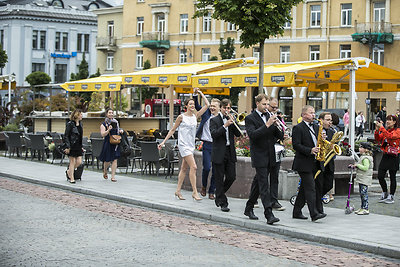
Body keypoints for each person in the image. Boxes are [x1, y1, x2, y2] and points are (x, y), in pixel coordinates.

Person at [158, 88, 209, 201]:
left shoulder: (195, 116)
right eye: (190, 104)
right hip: (183, 145)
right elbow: (172, 130)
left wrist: (200, 93)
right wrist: (163, 142)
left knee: (184, 168)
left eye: (193, 104)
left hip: (191, 145)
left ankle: (178, 191)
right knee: (194, 167)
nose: (192, 105)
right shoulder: (181, 117)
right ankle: (195, 192)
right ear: (186, 106)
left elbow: (207, 104)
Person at [244, 95, 284, 225]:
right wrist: (267, 124)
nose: (267, 107)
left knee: (258, 183)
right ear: (257, 104)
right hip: (259, 155)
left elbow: (279, 136)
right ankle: (269, 214)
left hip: (271, 154)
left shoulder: (269, 116)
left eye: (267, 104)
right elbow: (253, 136)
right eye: (264, 104)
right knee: (264, 184)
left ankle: (249, 208)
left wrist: (279, 125)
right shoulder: (250, 118)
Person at [292, 105, 326, 222]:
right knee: (310, 188)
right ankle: (314, 213)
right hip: (303, 163)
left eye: (314, 113)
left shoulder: (316, 127)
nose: (314, 115)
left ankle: (296, 211)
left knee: (304, 188)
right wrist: (310, 150)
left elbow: (319, 142)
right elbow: (296, 145)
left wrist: (323, 138)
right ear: (304, 115)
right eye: (311, 113)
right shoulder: (298, 128)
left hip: (315, 162)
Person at [210, 98, 242, 212]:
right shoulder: (214, 120)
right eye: (225, 108)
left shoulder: (231, 119)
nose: (227, 110)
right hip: (219, 152)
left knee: (232, 177)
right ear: (221, 108)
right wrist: (225, 125)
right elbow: (214, 134)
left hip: (230, 151)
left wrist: (234, 123)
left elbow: (239, 134)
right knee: (219, 178)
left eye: (229, 108)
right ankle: (223, 202)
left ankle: (219, 194)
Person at [194, 94, 221, 200]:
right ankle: (204, 186)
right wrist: (196, 95)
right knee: (206, 167)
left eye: (215, 106)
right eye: (211, 106)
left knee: (215, 170)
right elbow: (197, 106)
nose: (212, 108)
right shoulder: (206, 114)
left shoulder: (220, 118)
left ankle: (212, 191)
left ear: (219, 107)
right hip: (207, 145)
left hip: (217, 145)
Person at [374, 114, 400, 204]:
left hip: (394, 155)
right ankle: (385, 192)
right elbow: (378, 139)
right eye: (387, 120)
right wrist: (377, 130)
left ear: (395, 122)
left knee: (392, 176)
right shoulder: (386, 130)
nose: (387, 121)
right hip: (386, 155)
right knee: (380, 175)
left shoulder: (397, 131)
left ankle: (391, 196)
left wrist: (382, 128)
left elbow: (390, 137)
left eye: (390, 120)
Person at [315, 112, 335, 215]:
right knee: (319, 185)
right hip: (319, 161)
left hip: (329, 161)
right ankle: (318, 207)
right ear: (321, 120)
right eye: (327, 120)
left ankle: (315, 199)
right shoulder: (316, 130)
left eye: (330, 120)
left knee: (328, 184)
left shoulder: (331, 132)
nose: (330, 122)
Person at [99, 108, 124, 182]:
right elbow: (102, 134)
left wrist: (121, 131)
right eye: (109, 113)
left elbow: (117, 131)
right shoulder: (104, 124)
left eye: (112, 113)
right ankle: (105, 171)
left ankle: (113, 176)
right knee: (107, 160)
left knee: (115, 160)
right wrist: (108, 130)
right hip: (108, 142)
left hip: (115, 143)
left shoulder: (116, 122)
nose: (111, 114)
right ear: (106, 114)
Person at [350, 142, 373, 215]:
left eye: (361, 147)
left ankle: (365, 208)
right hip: (362, 178)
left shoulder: (366, 158)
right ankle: (362, 207)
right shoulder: (363, 156)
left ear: (366, 149)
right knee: (362, 193)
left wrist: (357, 165)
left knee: (364, 193)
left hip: (364, 178)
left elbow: (365, 168)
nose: (359, 149)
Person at [63, 109, 83, 184]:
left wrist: (81, 146)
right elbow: (66, 136)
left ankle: (69, 171)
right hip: (71, 145)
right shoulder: (70, 124)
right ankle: (72, 178)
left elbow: (80, 136)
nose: (82, 116)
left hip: (78, 145)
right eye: (80, 114)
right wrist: (68, 146)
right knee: (72, 161)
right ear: (77, 115)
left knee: (79, 162)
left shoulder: (81, 124)